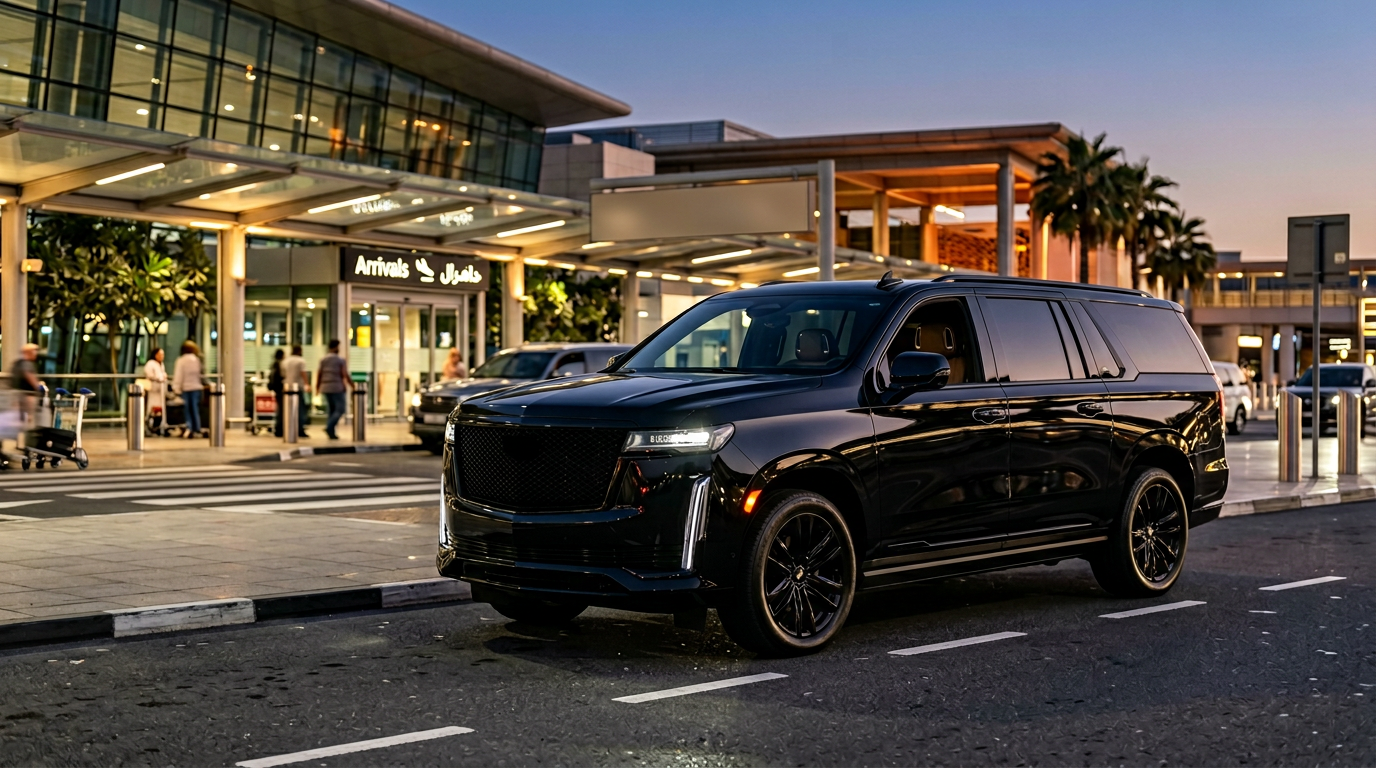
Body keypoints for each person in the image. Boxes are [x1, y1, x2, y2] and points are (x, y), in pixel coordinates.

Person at [316, 339, 353, 440]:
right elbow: (344, 374)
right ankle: (329, 426)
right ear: (336, 347)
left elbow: (319, 374)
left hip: (325, 387)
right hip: (337, 387)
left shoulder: (323, 359)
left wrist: (317, 387)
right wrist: (352, 385)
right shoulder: (340, 360)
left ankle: (332, 433)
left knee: (331, 410)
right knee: (340, 409)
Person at [171, 340, 204, 439]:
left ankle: (189, 428)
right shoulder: (197, 360)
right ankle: (197, 428)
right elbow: (201, 375)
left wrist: (176, 388)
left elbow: (178, 375)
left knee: (187, 410)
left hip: (186, 388)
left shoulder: (181, 360)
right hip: (197, 388)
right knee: (195, 409)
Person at [282, 344, 310, 438]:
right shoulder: (300, 360)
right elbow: (303, 373)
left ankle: (287, 428)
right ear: (300, 351)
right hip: (298, 387)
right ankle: (300, 429)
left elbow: (283, 373)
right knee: (300, 410)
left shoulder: (286, 361)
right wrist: (307, 384)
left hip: (287, 388)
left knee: (288, 410)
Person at [143, 348, 168, 436]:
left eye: (163, 355)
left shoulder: (161, 364)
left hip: (160, 391)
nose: (162, 357)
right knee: (152, 409)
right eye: (160, 354)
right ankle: (149, 428)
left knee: (160, 410)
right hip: (153, 390)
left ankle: (159, 427)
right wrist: (158, 378)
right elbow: (149, 374)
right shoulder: (150, 364)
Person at [268, 349, 285, 438]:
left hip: (276, 389)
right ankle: (279, 429)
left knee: (280, 409)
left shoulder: (274, 364)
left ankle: (279, 428)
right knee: (281, 410)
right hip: (280, 389)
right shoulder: (279, 364)